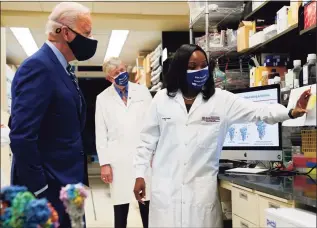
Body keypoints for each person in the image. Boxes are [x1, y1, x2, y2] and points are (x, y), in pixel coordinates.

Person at [133, 44, 311, 227]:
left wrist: (290, 112)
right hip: (166, 190)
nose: (199, 71)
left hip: (200, 192)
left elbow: (258, 111)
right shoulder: (161, 100)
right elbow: (146, 141)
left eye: (203, 65)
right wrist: (139, 175)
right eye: (192, 66)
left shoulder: (221, 100)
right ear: (180, 69)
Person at [9, 2, 97, 227]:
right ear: (65, 33)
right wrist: (40, 191)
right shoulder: (38, 67)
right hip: (48, 192)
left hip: (67, 187)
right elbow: (22, 137)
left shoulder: (64, 70)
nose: (91, 39)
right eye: (86, 33)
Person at [95, 57, 153, 228]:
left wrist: (155, 152)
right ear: (109, 78)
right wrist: (104, 163)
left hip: (143, 156)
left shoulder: (142, 92)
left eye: (122, 70)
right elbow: (100, 132)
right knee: (120, 207)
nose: (121, 74)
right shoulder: (102, 98)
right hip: (118, 159)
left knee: (147, 204)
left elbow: (153, 125)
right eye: (116, 73)